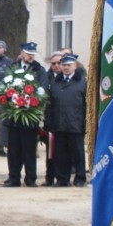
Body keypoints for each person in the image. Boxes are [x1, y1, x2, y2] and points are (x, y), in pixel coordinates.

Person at [2, 42, 47, 187]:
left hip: (30, 114)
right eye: (28, 53)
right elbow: (4, 86)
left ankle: (31, 178)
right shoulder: (12, 68)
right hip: (14, 116)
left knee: (28, 148)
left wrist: (32, 101)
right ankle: (14, 177)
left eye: (33, 54)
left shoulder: (39, 70)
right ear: (22, 53)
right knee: (13, 149)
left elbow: (43, 89)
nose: (31, 56)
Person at [45, 54, 86, 187]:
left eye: (69, 65)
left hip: (76, 123)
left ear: (75, 66)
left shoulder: (83, 82)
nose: (66, 67)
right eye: (64, 65)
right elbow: (50, 104)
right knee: (61, 153)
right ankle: (62, 178)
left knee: (78, 152)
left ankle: (80, 178)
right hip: (59, 123)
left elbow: (87, 104)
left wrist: (86, 123)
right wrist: (49, 122)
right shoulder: (55, 82)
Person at [41, 52, 63, 186]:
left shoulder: (66, 78)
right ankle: (49, 177)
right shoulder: (46, 78)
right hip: (50, 121)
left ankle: (62, 177)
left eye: (59, 63)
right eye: (53, 63)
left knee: (63, 152)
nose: (56, 66)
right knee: (50, 153)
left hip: (64, 121)